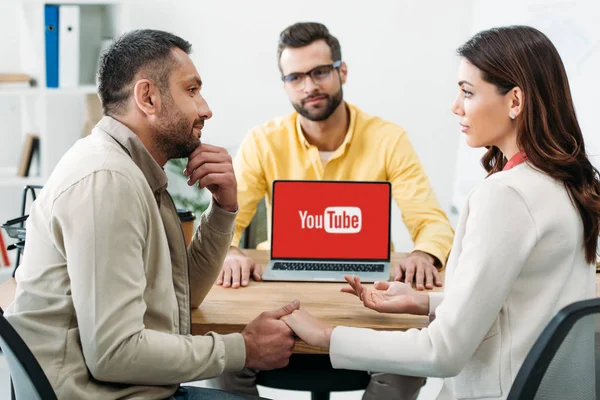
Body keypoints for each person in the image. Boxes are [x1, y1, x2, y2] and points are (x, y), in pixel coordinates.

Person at [280, 25, 600, 400]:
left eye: (467, 92)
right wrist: (424, 301)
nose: (455, 106)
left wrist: (327, 335)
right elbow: (522, 301)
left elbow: (442, 351)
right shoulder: (564, 180)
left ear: (515, 101)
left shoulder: (507, 196)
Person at [4, 29, 300, 400]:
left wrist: (223, 209)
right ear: (147, 97)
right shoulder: (108, 181)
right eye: (191, 90)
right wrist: (242, 348)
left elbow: (182, 296)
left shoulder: (133, 172)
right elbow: (115, 353)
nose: (206, 108)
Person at [210, 22, 454, 400]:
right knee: (225, 361)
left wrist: (424, 252)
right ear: (285, 84)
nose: (309, 86)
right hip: (284, 297)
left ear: (341, 71)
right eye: (295, 77)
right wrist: (229, 251)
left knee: (407, 366)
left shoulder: (388, 138)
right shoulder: (263, 141)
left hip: (366, 300)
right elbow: (225, 222)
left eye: (320, 72)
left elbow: (431, 221)